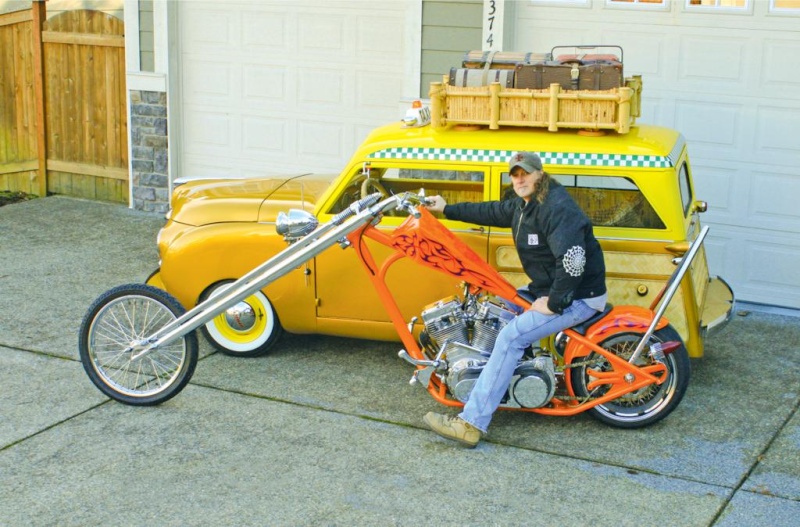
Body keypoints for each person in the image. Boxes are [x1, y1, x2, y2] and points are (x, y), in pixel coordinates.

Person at [422, 151, 607, 447]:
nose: (520, 178)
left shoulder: (557, 208)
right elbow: (491, 211)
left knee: (511, 337)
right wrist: (447, 209)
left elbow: (573, 260)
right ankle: (484, 379)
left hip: (576, 298)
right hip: (547, 290)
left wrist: (554, 302)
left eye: (526, 172)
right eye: (515, 174)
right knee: (493, 308)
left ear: (540, 174)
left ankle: (471, 423)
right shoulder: (525, 205)